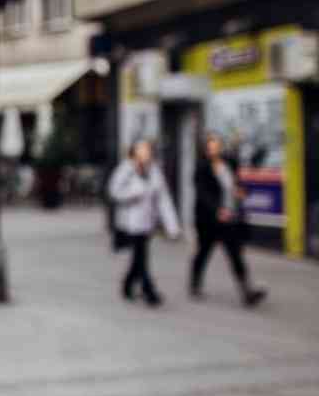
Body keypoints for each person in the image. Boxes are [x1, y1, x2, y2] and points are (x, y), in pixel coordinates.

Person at [190, 132, 267, 307]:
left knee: (235, 255)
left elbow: (236, 183)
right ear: (205, 148)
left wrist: (241, 192)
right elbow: (203, 194)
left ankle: (247, 292)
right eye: (210, 146)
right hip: (209, 220)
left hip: (229, 218)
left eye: (217, 145)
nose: (214, 149)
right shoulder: (201, 167)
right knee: (203, 252)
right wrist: (217, 210)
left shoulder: (229, 163)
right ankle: (195, 283)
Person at [107, 139, 181, 306]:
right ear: (134, 151)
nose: (145, 152)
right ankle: (149, 291)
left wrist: (172, 227)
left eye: (147, 149)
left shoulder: (154, 171)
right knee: (141, 257)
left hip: (147, 222)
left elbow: (164, 200)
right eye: (141, 149)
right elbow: (113, 191)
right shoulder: (126, 169)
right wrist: (132, 193)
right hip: (130, 223)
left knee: (138, 257)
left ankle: (127, 285)